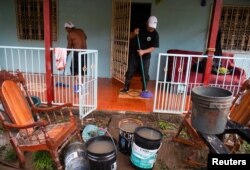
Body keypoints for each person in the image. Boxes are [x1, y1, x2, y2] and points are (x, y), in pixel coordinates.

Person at [120, 16, 159, 93]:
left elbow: (153, 47)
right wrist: (134, 33)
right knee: (130, 71)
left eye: (153, 27)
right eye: (150, 27)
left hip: (146, 56)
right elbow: (129, 36)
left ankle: (144, 89)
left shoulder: (155, 34)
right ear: (147, 23)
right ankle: (126, 87)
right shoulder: (140, 28)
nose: (152, 29)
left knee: (145, 73)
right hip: (134, 54)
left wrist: (143, 51)